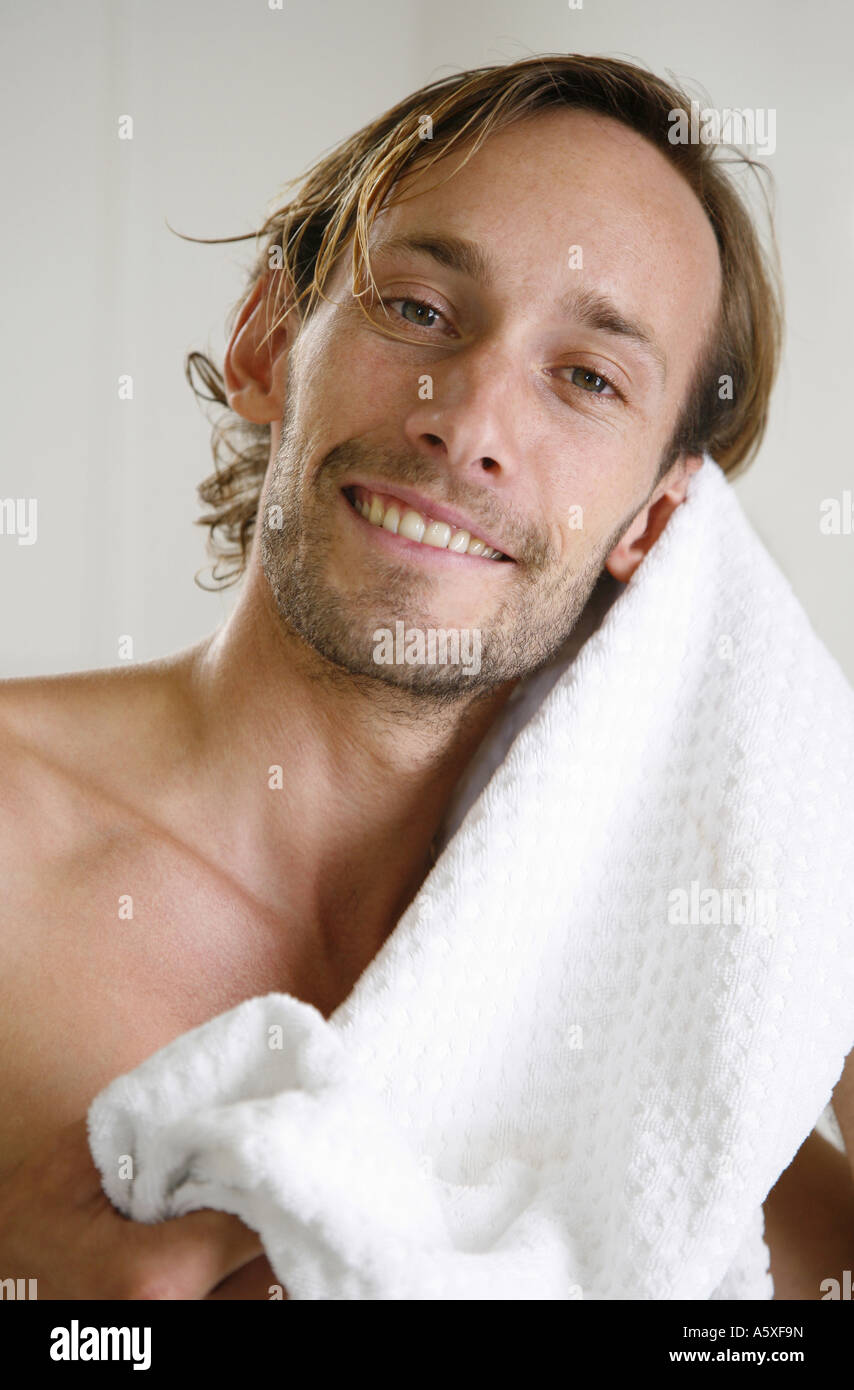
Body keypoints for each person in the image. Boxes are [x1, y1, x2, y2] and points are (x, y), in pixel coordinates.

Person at [0, 54, 850, 1300]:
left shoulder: (658, 1075)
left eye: (586, 378)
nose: (468, 422)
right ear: (267, 344)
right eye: (415, 309)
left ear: (657, 528)